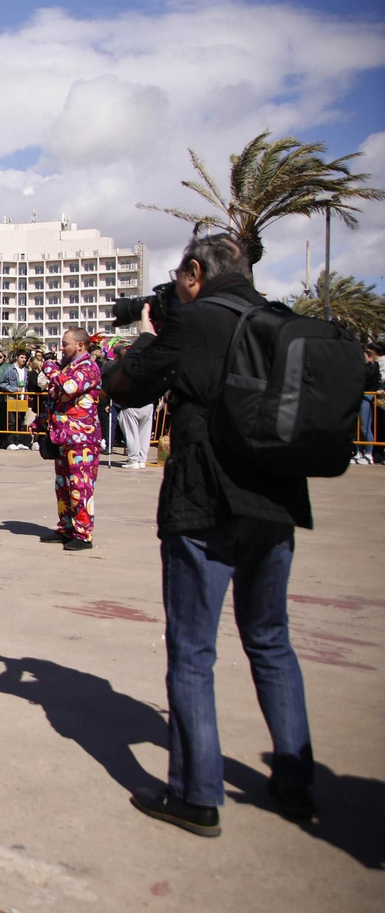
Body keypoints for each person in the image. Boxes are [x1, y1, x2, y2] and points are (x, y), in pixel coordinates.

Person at [106, 232, 315, 837]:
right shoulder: (279, 320)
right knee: (271, 639)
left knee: (194, 651)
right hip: (274, 502)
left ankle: (195, 795)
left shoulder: (194, 323)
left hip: (206, 503)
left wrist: (148, 333)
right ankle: (297, 782)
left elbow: (126, 386)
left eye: (177, 277)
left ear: (195, 272)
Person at [35, 328, 102, 551]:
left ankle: (83, 534)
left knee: (80, 486)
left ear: (80, 345)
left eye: (65, 344)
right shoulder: (68, 369)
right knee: (63, 486)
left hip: (82, 438)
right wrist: (41, 422)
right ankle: (66, 527)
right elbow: (56, 398)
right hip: (63, 437)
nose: (61, 348)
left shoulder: (89, 368)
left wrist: (49, 368)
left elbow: (70, 387)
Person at [356, 342, 381, 465]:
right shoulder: (358, 367)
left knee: (365, 427)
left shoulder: (373, 368)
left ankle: (368, 453)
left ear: (370, 357)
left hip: (367, 396)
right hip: (358, 396)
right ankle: (358, 452)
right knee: (357, 427)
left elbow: (372, 382)